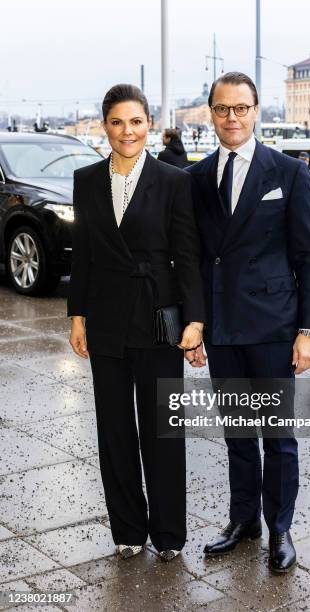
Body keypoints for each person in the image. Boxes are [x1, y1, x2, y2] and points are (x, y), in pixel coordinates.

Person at [186, 72, 310, 573]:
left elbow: (307, 257)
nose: (232, 118)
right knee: (238, 433)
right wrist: (194, 325)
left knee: (277, 435)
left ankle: (280, 528)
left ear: (256, 110)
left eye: (241, 108)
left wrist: (308, 331)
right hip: (222, 327)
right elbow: (195, 259)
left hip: (272, 326)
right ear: (212, 113)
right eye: (223, 109)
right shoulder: (197, 178)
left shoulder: (288, 173)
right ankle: (243, 520)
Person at [67, 84, 205, 563]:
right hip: (104, 317)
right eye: (118, 122)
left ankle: (168, 533)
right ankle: (127, 528)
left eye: (137, 121)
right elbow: (82, 253)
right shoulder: (85, 180)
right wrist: (77, 316)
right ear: (105, 126)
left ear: (149, 124)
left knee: (162, 429)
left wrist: (196, 321)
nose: (128, 131)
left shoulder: (173, 180)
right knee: (115, 429)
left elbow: (188, 257)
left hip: (157, 317)